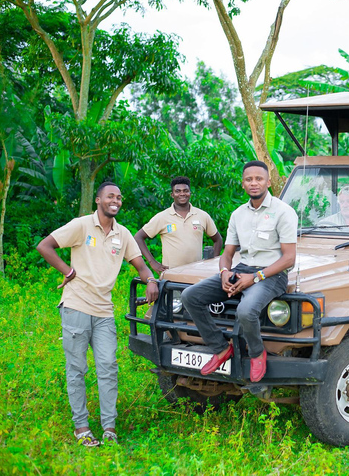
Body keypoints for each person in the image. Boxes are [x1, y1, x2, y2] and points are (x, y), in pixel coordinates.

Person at [36, 182, 159, 447]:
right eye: (110, 196)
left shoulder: (123, 234)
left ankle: (109, 428)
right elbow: (45, 246)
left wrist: (150, 280)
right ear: (98, 200)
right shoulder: (81, 225)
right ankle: (81, 427)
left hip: (104, 312)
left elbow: (140, 266)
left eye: (119, 197)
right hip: (76, 307)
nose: (116, 200)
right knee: (77, 369)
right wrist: (68, 272)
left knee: (108, 368)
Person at [180, 161, 298, 383]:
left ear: (268, 182)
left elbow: (289, 258)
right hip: (242, 269)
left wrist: (255, 278)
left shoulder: (283, 212)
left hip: (272, 275)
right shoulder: (238, 214)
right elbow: (227, 253)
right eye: (249, 179)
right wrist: (224, 272)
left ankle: (256, 353)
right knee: (190, 296)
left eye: (259, 179)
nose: (254, 183)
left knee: (245, 310)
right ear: (243, 183)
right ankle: (221, 348)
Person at [134, 176, 223, 275]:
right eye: (178, 191)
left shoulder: (202, 215)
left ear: (190, 193)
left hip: (197, 275)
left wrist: (210, 264)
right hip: (172, 276)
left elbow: (218, 239)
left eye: (185, 191)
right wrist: (153, 263)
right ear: (172, 194)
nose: (182, 194)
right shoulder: (162, 217)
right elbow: (138, 237)